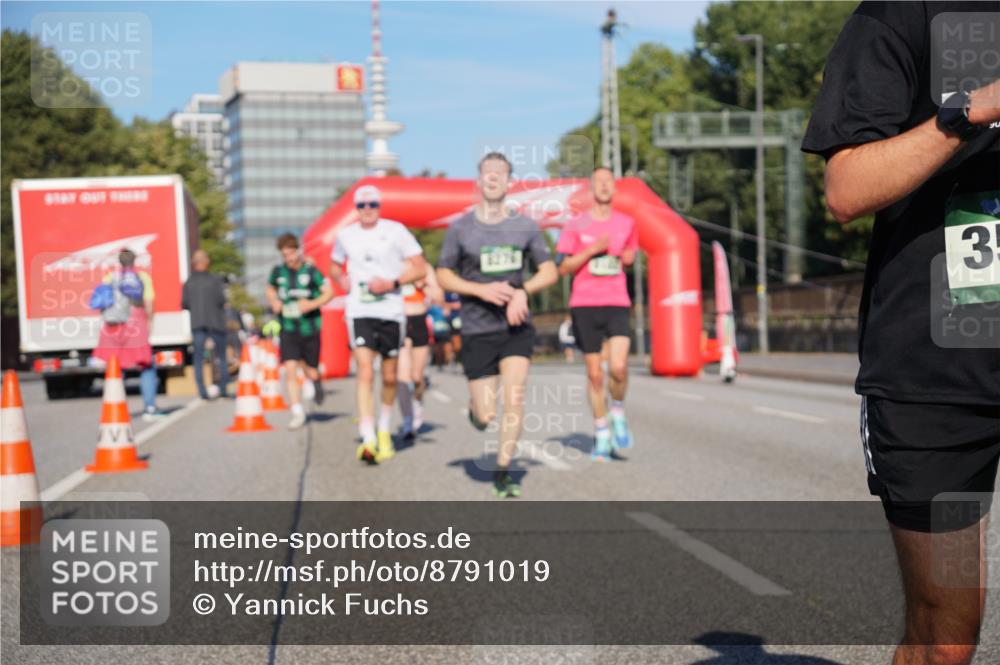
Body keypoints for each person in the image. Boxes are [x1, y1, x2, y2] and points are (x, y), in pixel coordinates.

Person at [803, 3, 1000, 663]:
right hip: (940, 369)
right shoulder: (904, 13)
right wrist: (970, 112)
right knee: (945, 633)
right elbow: (847, 186)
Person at [436, 152, 559, 498]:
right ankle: (477, 414)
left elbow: (549, 271)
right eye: (487, 173)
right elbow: (443, 275)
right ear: (479, 181)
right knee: (488, 413)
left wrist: (522, 290)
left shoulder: (525, 226)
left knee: (515, 397)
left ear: (509, 182)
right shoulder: (460, 228)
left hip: (515, 327)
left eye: (499, 173)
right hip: (476, 328)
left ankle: (503, 470)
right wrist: (480, 289)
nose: (492, 177)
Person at [330, 184, 425, 463]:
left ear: (379, 206)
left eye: (372, 204)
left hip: (391, 311)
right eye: (361, 205)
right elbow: (335, 265)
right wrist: (341, 279)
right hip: (359, 310)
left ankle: (384, 426)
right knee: (364, 372)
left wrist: (392, 283)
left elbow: (419, 266)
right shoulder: (345, 235)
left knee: (391, 375)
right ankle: (368, 434)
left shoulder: (395, 231)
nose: (367, 210)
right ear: (356, 209)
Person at [555, 166, 638, 461]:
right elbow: (563, 267)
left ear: (614, 188)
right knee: (595, 375)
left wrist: (628, 258)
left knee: (618, 368)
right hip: (584, 304)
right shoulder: (576, 225)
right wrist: (591, 251)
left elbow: (629, 255)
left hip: (616, 302)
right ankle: (601, 434)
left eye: (608, 181)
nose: (604, 186)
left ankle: (617, 410)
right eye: (598, 182)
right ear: (591, 190)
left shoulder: (627, 223)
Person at [265, 233, 334, 430]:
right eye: (284, 255)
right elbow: (270, 289)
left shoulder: (311, 271)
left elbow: (329, 292)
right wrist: (274, 301)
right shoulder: (278, 271)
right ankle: (297, 411)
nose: (288, 258)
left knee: (310, 369)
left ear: (298, 251)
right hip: (288, 328)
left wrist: (312, 304)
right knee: (290, 369)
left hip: (310, 327)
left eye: (291, 253)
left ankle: (316, 381)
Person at [92, 248, 163, 421]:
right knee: (146, 365)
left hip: (114, 326)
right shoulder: (142, 277)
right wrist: (149, 323)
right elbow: (149, 303)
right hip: (136, 323)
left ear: (119, 261)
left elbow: (102, 302)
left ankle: (114, 410)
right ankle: (150, 408)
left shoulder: (110, 278)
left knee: (116, 366)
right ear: (134, 260)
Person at [397, 260, 444, 439]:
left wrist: (423, 285)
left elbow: (439, 296)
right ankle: (407, 420)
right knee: (403, 377)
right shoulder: (391, 261)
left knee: (417, 377)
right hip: (398, 321)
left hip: (419, 321)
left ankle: (417, 405)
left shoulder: (424, 266)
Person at [181, 249, 228, 400]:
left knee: (199, 359)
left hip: (198, 323)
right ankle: (223, 389)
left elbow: (185, 304)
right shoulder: (215, 280)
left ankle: (202, 391)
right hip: (216, 323)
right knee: (221, 356)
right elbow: (222, 300)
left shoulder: (189, 282)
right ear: (207, 262)